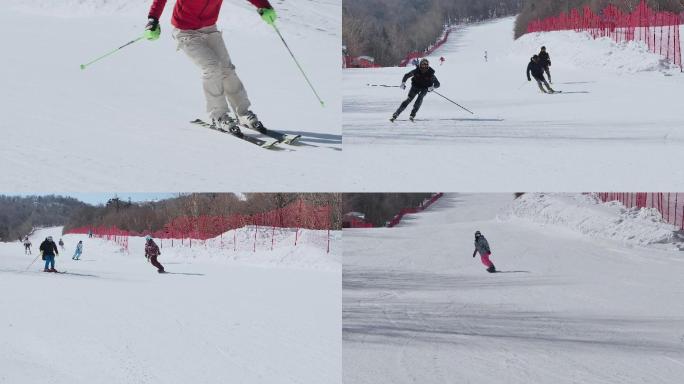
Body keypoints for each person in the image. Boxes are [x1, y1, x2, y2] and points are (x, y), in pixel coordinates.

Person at [144, 0, 277, 132]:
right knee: (212, 67)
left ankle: (242, 113)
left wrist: (264, 6)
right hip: (186, 31)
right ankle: (218, 115)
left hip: (210, 28)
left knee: (227, 70)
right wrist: (153, 19)